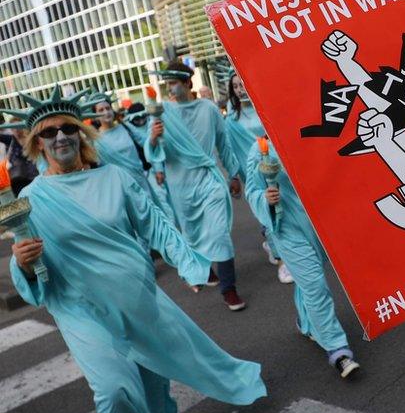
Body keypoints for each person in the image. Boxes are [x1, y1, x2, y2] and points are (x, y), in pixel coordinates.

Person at [1, 87, 266, 413]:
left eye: (67, 127)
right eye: (48, 132)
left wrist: (189, 262)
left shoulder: (115, 178)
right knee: (114, 388)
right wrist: (24, 262)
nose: (59, 136)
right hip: (80, 306)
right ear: (37, 144)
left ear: (81, 132)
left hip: (133, 292)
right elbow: (29, 262)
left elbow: (154, 224)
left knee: (152, 374)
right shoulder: (34, 197)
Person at [244, 135, 362, 378]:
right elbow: (251, 190)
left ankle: (306, 322)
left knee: (308, 279)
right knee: (315, 285)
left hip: (318, 224)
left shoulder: (307, 136)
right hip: (287, 229)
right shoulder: (260, 149)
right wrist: (265, 199)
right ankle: (337, 350)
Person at [146, 61, 247, 311]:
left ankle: (229, 289)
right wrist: (154, 138)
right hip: (180, 184)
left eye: (173, 84)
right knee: (191, 233)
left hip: (209, 178)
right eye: (167, 84)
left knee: (219, 233)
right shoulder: (162, 112)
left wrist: (234, 174)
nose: (169, 89)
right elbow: (154, 154)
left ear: (188, 83)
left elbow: (223, 143)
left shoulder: (208, 108)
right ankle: (206, 271)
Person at [223, 69, 293, 284]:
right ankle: (282, 261)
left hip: (276, 165)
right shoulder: (232, 119)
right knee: (268, 210)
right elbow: (230, 150)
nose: (239, 89)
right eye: (235, 87)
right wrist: (234, 175)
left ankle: (279, 246)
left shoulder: (264, 108)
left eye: (242, 84)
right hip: (252, 172)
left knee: (286, 208)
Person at [87, 90, 160, 210]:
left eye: (108, 108)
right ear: (95, 115)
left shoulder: (126, 127)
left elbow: (146, 143)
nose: (106, 112)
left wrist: (154, 136)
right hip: (119, 190)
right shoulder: (95, 140)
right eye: (101, 110)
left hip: (141, 183)